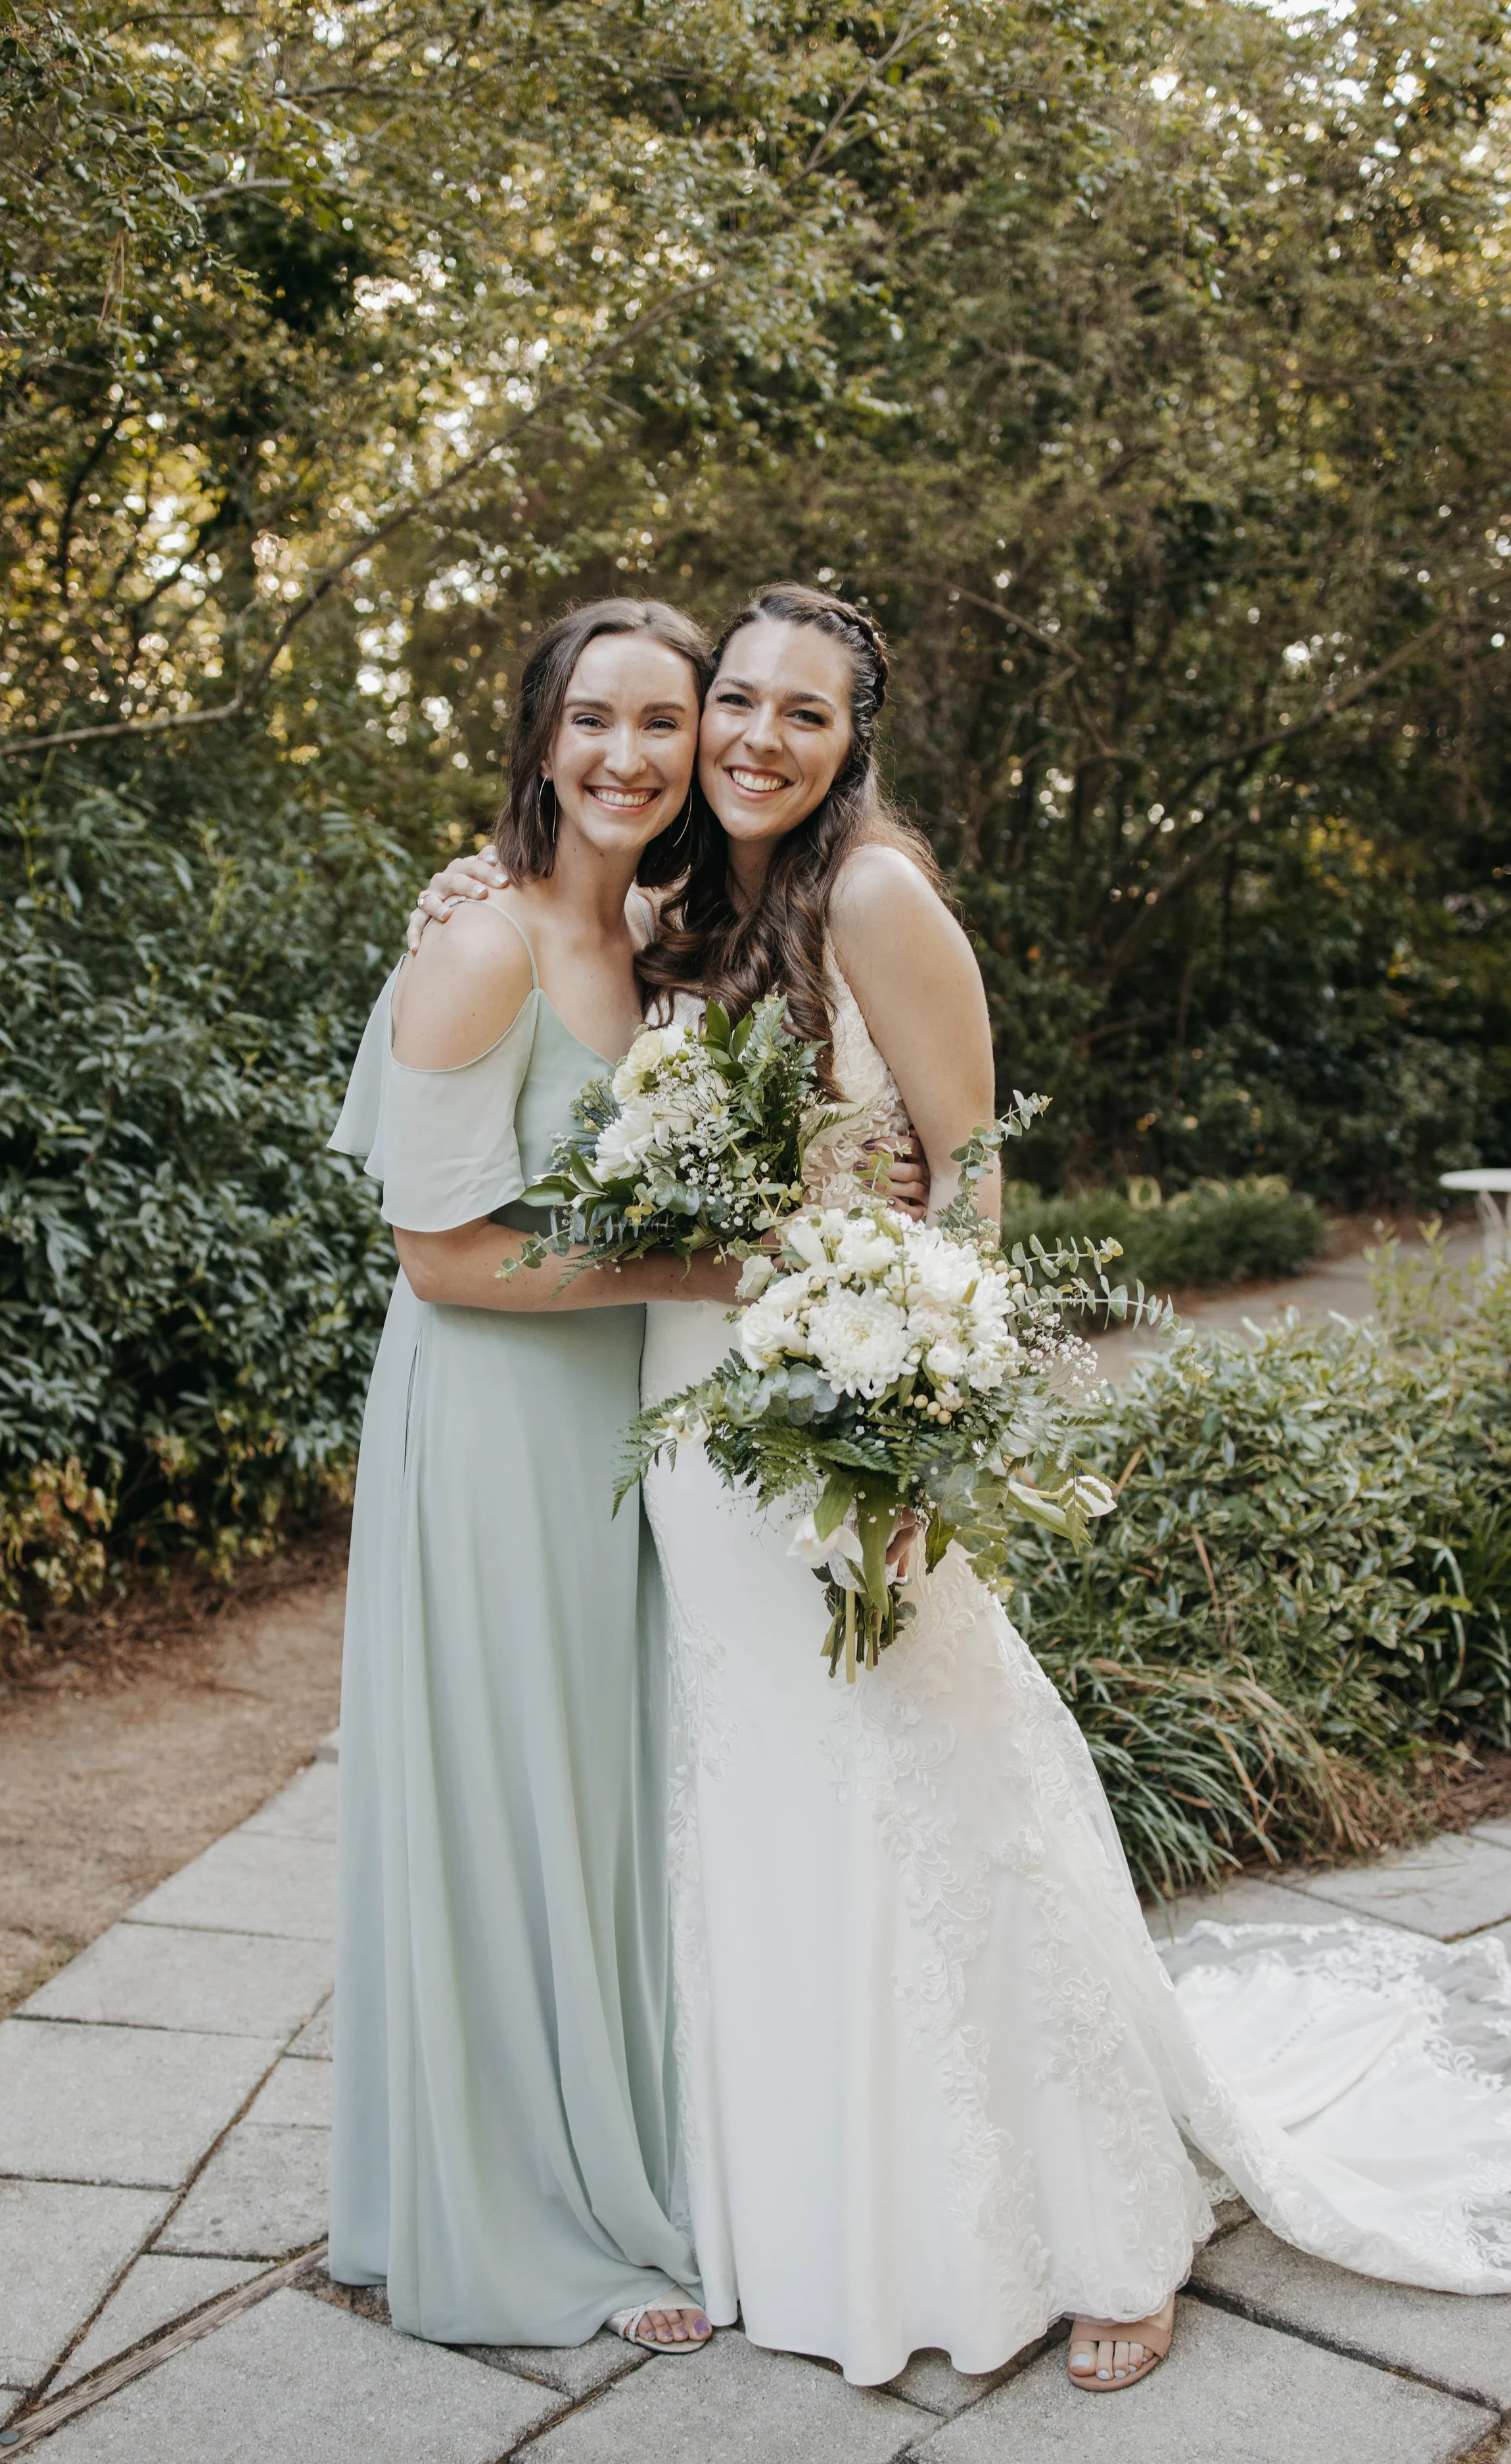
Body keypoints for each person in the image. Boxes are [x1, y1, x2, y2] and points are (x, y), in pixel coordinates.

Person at [415, 584, 1511, 2393]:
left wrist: (928, 1433)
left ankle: (1102, 2225)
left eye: (803, 714)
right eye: (736, 705)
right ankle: (818, 2205)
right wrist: (461, 885)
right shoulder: (690, 905)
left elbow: (980, 1187)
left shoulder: (871, 895)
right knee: (765, 1814)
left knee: (937, 1791)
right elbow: (560, 970)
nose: (757, 738)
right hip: (696, 1425)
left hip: (848, 1431)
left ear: (854, 741)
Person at [326, 598, 737, 2354]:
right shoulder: (479, 945)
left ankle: (601, 2148)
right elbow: (442, 1256)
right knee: (506, 1791)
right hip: (490, 1417)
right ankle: (524, 2218)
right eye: (593, 720)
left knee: (594, 1790)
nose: (627, 755)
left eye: (662, 722)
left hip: (605, 1420)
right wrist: (699, 1272)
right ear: (537, 736)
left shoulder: (653, 934)